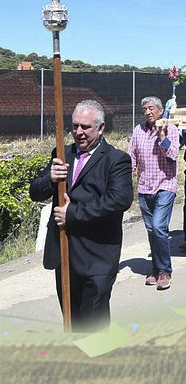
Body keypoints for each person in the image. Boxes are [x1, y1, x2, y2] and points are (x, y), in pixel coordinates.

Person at [30, 100, 133, 332]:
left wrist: (74, 213)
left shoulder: (116, 160)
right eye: (75, 126)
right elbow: (35, 191)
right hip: (64, 253)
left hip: (97, 256)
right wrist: (51, 179)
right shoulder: (61, 152)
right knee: (72, 320)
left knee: (92, 322)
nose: (78, 132)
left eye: (85, 127)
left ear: (101, 128)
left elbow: (119, 200)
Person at [128, 96, 180, 291]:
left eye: (151, 108)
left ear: (160, 110)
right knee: (152, 232)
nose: (148, 112)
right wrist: (125, 178)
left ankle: (165, 270)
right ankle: (156, 268)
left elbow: (174, 155)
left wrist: (162, 136)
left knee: (159, 227)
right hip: (144, 187)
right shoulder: (138, 130)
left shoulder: (172, 129)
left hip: (165, 186)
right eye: (144, 109)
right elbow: (131, 156)